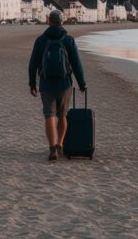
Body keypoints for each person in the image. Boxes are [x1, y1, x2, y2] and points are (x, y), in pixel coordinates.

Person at [28, 9, 86, 161]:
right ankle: (60, 145)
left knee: (49, 115)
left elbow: (33, 63)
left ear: (49, 21)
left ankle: (52, 148)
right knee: (62, 116)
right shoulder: (68, 40)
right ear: (62, 22)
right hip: (65, 83)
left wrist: (32, 83)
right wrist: (82, 83)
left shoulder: (41, 40)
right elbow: (76, 63)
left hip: (46, 84)